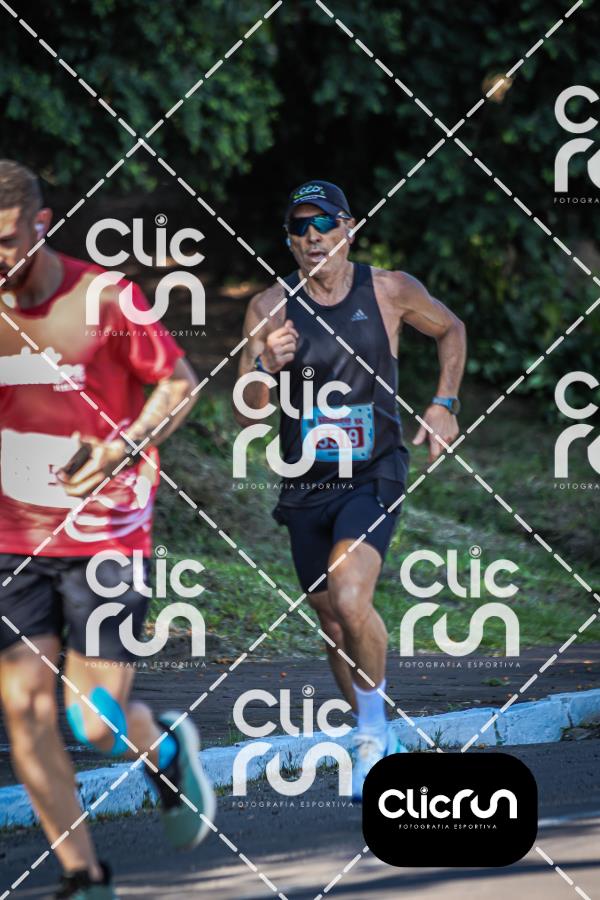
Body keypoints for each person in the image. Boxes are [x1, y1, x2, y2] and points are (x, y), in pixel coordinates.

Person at [0, 160, 215, 899]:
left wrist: (121, 448)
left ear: (41, 224)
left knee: (94, 722)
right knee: (26, 711)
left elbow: (178, 383)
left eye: (6, 239)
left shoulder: (104, 297)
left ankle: (166, 751)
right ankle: (84, 877)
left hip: (104, 536)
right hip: (12, 541)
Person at [234, 180, 466, 799]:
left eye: (325, 224)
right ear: (289, 239)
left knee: (350, 593)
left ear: (349, 229)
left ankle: (369, 741)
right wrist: (264, 366)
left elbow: (451, 329)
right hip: (304, 485)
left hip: (374, 472)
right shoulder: (269, 307)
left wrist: (444, 403)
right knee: (334, 623)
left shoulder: (388, 290)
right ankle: (378, 728)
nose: (313, 237)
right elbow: (244, 413)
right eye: (300, 227)